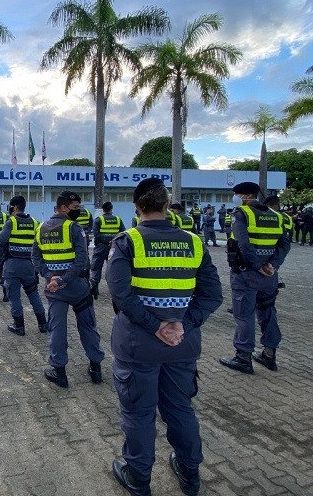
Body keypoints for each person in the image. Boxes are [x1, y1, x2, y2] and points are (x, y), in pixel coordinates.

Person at [106, 177, 222, 496]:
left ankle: (139, 477)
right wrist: (182, 323)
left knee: (139, 413)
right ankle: (190, 474)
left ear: (137, 207)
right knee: (180, 409)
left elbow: (120, 293)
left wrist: (156, 325)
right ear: (167, 206)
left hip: (138, 345)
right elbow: (213, 295)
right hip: (181, 345)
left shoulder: (127, 241)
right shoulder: (194, 241)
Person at [32, 191, 104, 388]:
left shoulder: (41, 229)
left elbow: (36, 258)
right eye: (75, 208)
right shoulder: (74, 228)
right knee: (88, 326)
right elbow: (82, 261)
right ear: (63, 207)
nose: (78, 211)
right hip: (77, 286)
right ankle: (95, 368)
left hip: (55, 289)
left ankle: (59, 372)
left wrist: (50, 277)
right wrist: (63, 279)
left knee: (57, 329)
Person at [220, 181, 290, 374]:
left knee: (244, 315)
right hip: (269, 276)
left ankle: (243, 357)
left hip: (246, 274)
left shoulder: (241, 214)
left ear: (243, 196)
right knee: (268, 311)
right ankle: (269, 354)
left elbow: (243, 245)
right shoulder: (276, 216)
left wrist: (258, 266)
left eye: (236, 195)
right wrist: (272, 265)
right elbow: (284, 244)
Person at [0, 195, 47, 335]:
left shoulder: (11, 222)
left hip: (12, 265)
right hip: (29, 265)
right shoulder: (35, 222)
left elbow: (1, 240)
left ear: (14, 207)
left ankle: (19, 326)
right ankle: (43, 324)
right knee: (33, 294)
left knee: (14, 296)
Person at [89, 201, 126, 299]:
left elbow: (96, 235)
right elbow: (123, 233)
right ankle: (114, 287)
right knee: (113, 267)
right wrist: (112, 241)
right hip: (114, 247)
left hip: (101, 247)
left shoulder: (98, 220)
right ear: (111, 209)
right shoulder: (118, 219)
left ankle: (95, 285)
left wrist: (105, 242)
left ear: (103, 210)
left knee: (96, 266)